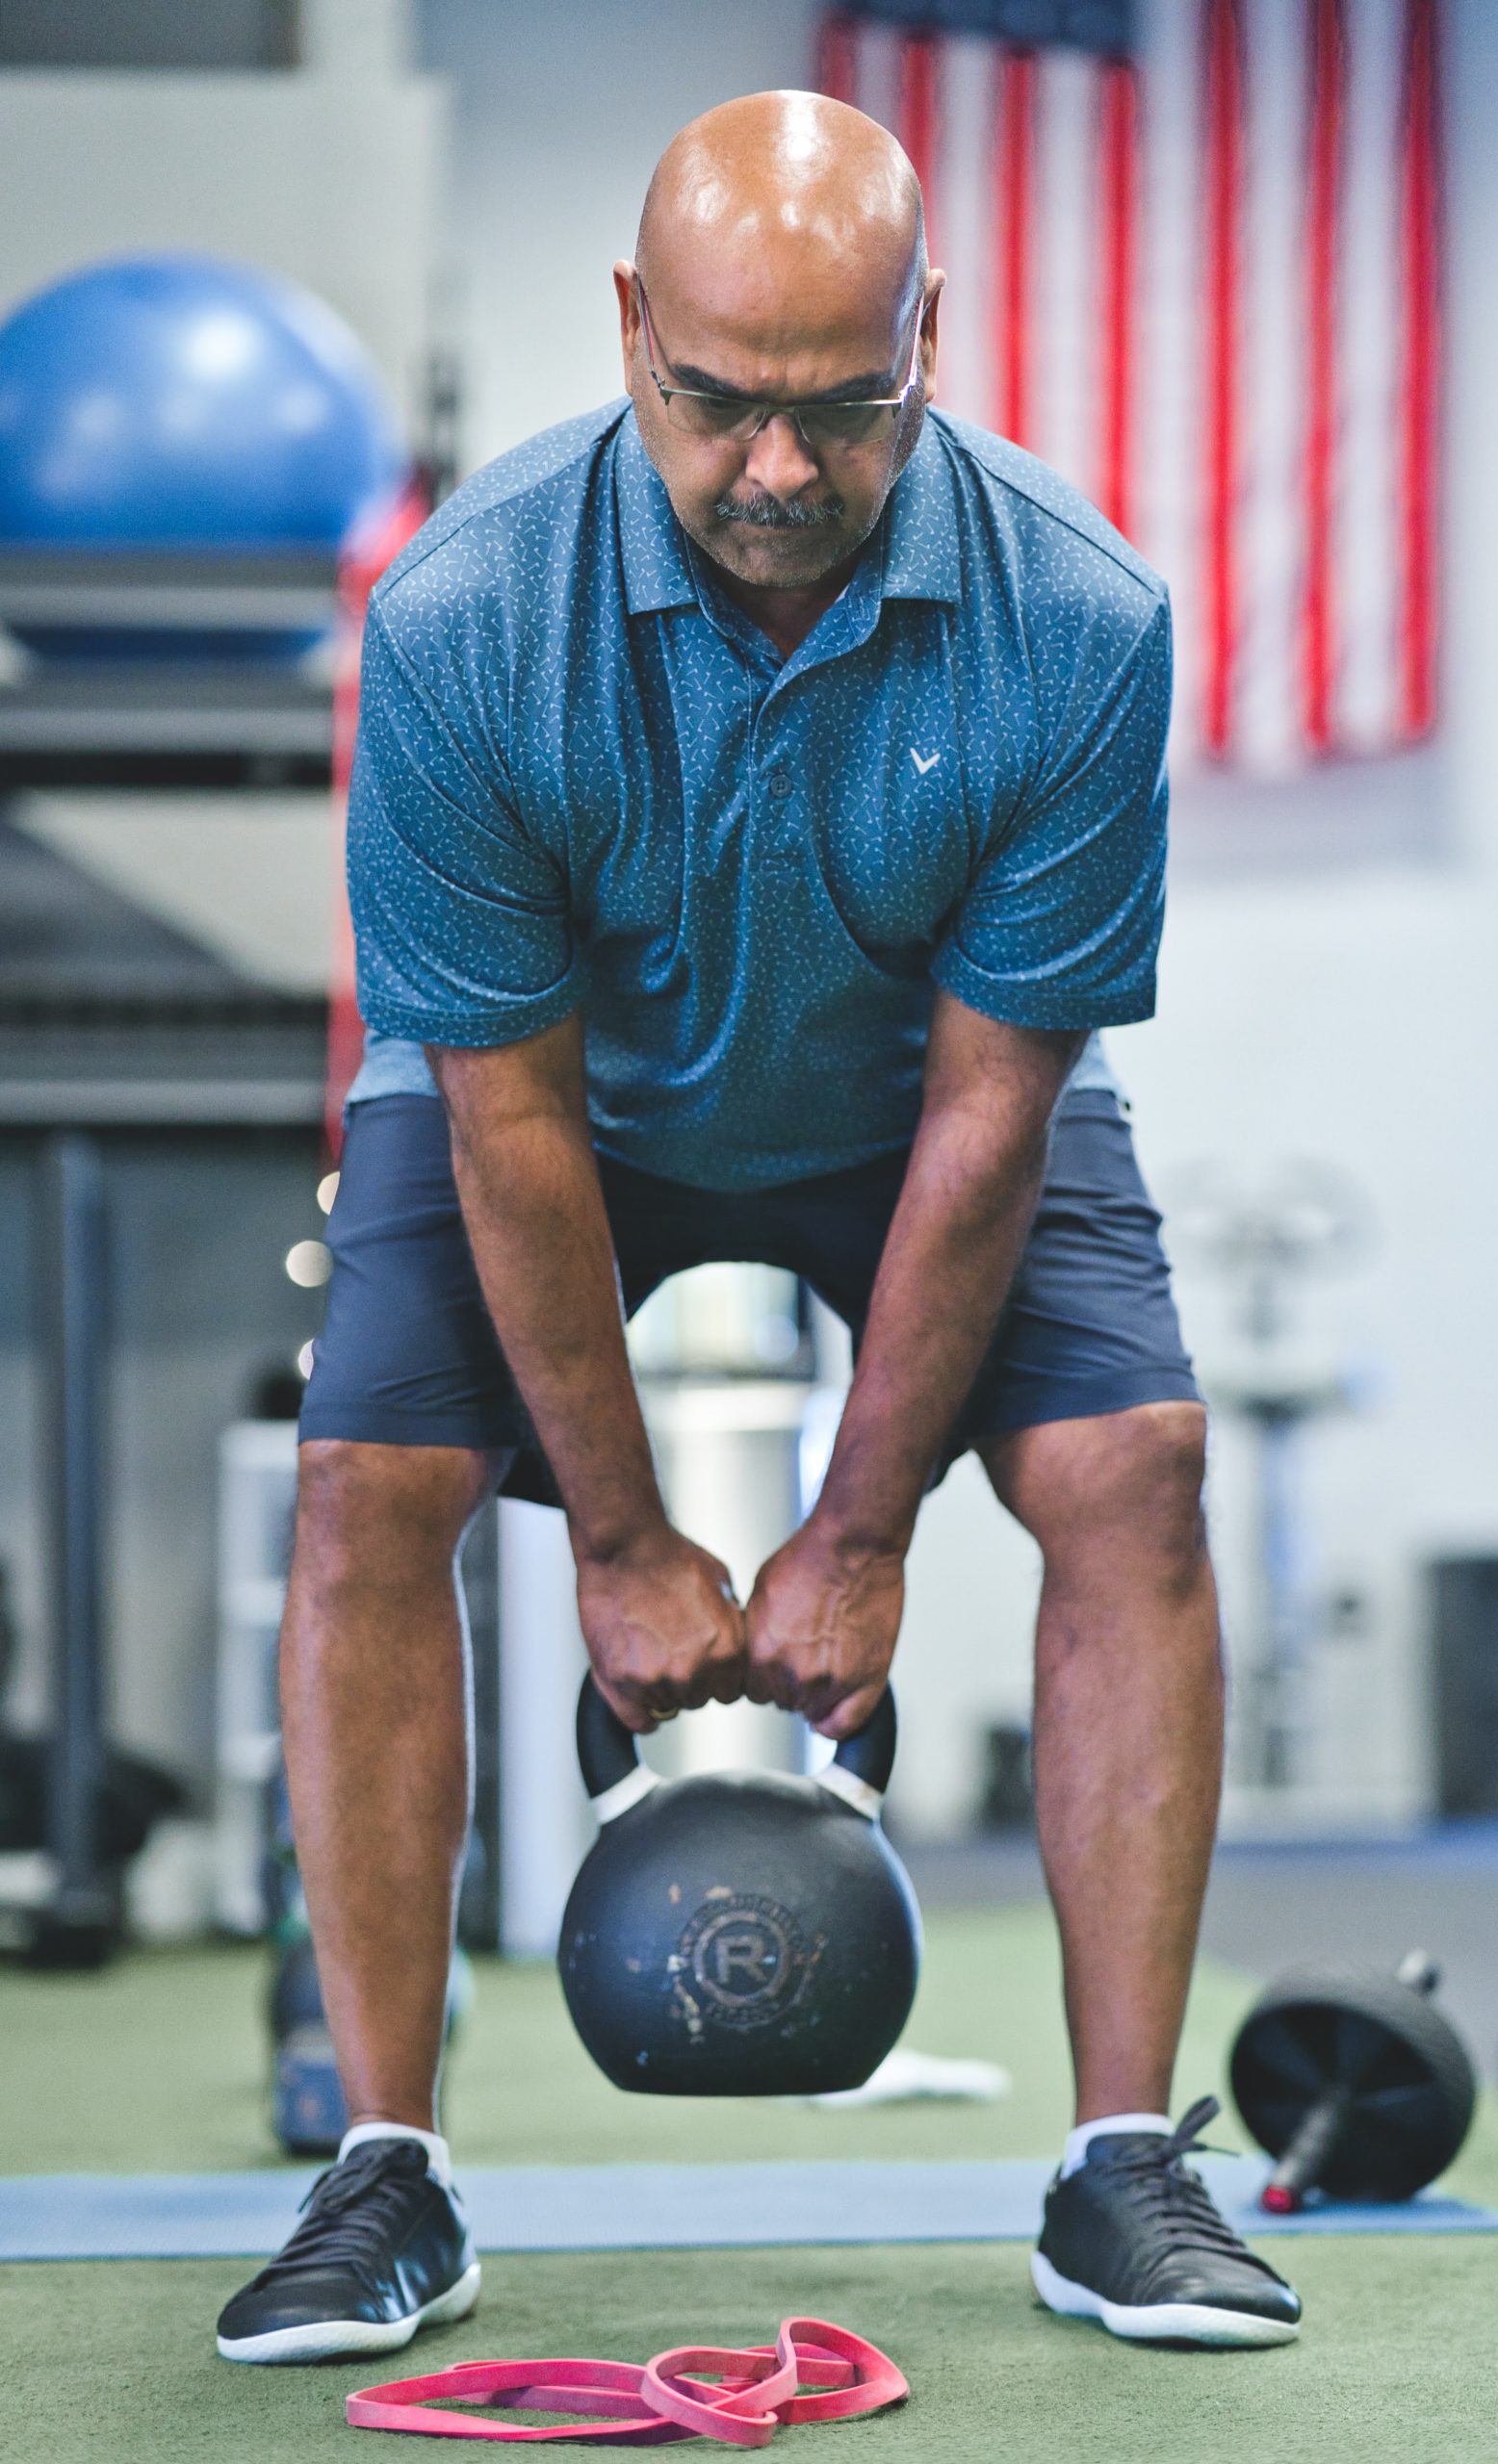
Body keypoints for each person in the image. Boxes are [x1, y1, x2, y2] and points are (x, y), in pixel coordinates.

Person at [215, 90, 1300, 2366]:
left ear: (929, 336)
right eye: (717, 400)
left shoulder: (1075, 623)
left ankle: (1120, 2166)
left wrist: (864, 1524)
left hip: (913, 1100)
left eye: (839, 404)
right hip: (556, 1103)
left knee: (1136, 1468)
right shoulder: (462, 622)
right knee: (365, 1479)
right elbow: (504, 1124)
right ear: (630, 333)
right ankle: (384, 2171)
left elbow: (995, 1110)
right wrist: (618, 1541)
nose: (779, 471)